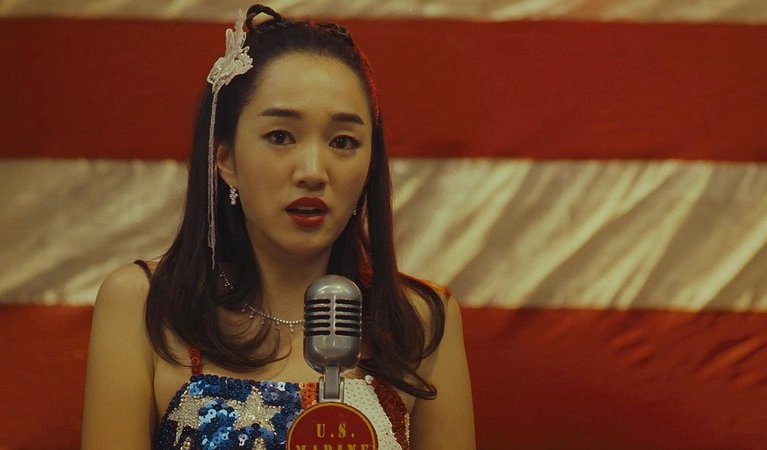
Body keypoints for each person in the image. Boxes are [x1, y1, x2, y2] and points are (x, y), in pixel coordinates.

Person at [81, 4, 474, 449]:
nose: (313, 172)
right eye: (281, 136)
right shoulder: (145, 303)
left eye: (343, 141)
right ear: (225, 159)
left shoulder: (420, 319)